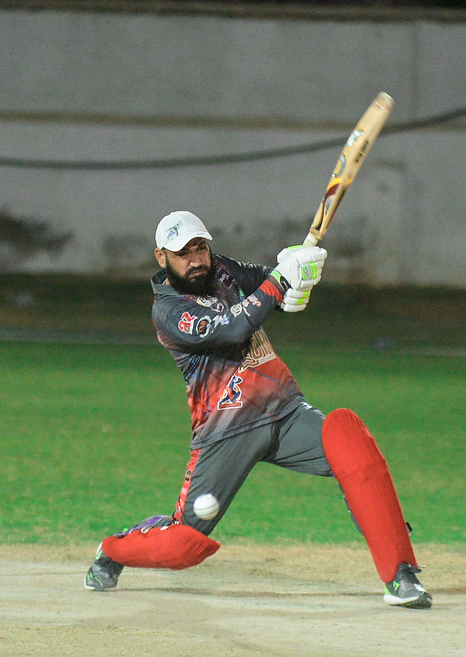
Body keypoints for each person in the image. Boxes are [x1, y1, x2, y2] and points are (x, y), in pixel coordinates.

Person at [83, 210, 432, 609]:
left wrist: (297, 279)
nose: (196, 260)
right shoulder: (169, 311)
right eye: (183, 253)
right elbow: (234, 325)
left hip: (285, 412)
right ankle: (113, 550)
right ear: (161, 258)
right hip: (226, 431)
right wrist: (279, 282)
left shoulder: (222, 270)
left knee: (352, 446)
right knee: (182, 543)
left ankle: (400, 574)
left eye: (200, 247)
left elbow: (267, 286)